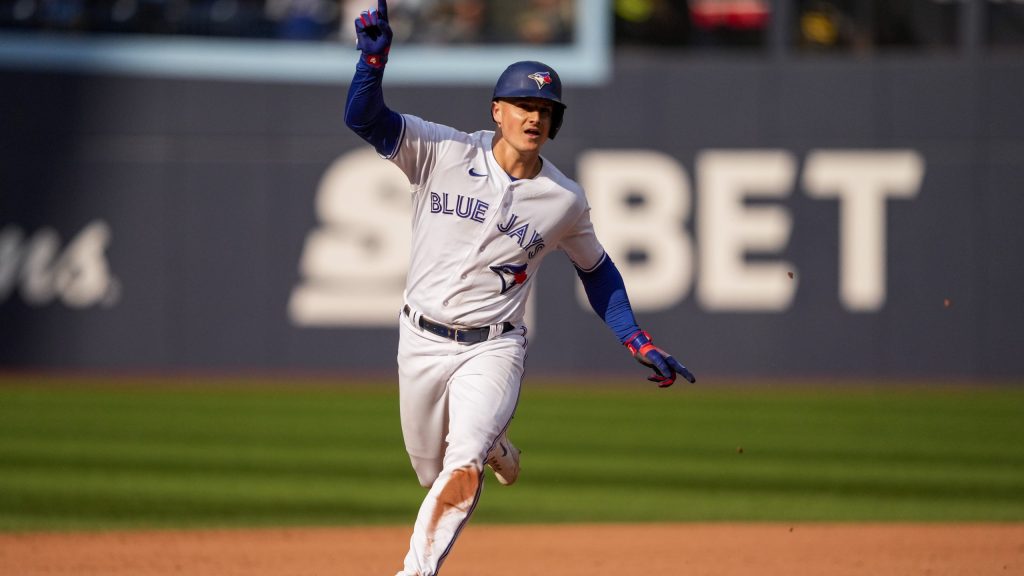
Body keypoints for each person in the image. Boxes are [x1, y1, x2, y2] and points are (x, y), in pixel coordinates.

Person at [344, 2, 696, 574]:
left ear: (555, 122)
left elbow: (597, 269)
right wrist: (373, 60)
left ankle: (416, 569)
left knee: (462, 467)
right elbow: (365, 119)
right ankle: (495, 445)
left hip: (494, 346)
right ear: (498, 110)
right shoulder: (443, 149)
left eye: (546, 109)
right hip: (421, 340)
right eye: (524, 105)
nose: (535, 117)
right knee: (431, 475)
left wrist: (636, 338)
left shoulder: (563, 199)